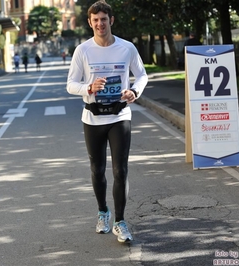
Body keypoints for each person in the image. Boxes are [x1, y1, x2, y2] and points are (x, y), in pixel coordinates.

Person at [66, 0, 148, 243]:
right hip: (92, 118)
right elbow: (71, 84)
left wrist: (134, 91)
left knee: (120, 170)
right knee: (97, 170)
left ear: (111, 21)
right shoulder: (83, 50)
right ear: (90, 23)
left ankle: (120, 222)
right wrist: (88, 87)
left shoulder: (127, 48)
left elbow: (142, 75)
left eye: (104, 19)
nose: (100, 23)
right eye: (95, 20)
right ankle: (103, 212)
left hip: (120, 116)